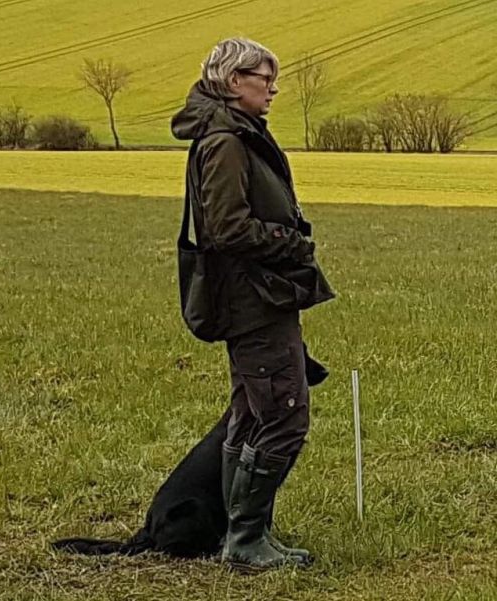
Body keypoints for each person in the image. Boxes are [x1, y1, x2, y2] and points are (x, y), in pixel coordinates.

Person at [171, 38, 334, 571]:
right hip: (253, 298)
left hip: (256, 294)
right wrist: (291, 243)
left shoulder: (234, 132)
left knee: (250, 414)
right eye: (265, 79)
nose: (273, 89)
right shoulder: (226, 141)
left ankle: (244, 533)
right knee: (283, 415)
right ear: (233, 80)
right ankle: (244, 541)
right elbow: (227, 228)